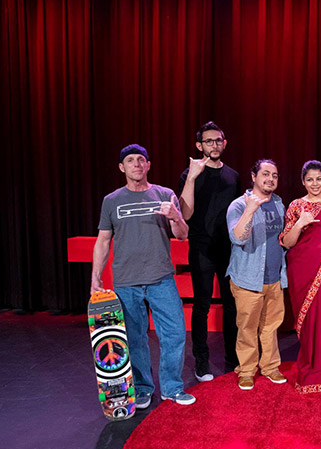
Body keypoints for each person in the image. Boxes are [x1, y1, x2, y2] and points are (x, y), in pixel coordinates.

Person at [91, 144, 195, 408]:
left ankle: (172, 388)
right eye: (130, 160)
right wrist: (96, 278)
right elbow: (103, 241)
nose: (136, 164)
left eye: (141, 160)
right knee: (135, 339)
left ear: (148, 165)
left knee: (174, 335)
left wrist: (176, 217)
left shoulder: (165, 194)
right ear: (121, 167)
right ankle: (143, 388)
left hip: (161, 279)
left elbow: (182, 235)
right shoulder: (111, 201)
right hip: (126, 282)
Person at [179, 121, 241, 381]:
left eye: (218, 140)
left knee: (232, 306)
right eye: (208, 141)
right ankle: (201, 362)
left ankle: (232, 360)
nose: (214, 145)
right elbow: (185, 213)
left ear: (224, 143)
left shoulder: (233, 176)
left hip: (229, 250)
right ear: (198, 146)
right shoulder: (189, 175)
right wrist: (193, 177)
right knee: (202, 306)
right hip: (201, 248)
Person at [280, 160, 321, 393]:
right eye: (310, 179)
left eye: (319, 178)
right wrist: (300, 223)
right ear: (303, 182)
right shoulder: (296, 205)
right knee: (307, 322)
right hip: (301, 271)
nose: (314, 183)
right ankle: (309, 367)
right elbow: (287, 242)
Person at [226, 160, 288, 391]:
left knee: (271, 327)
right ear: (253, 176)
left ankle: (270, 367)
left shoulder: (280, 205)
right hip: (247, 279)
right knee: (247, 328)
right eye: (265, 174)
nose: (270, 179)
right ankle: (246, 370)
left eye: (275, 175)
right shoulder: (238, 206)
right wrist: (251, 209)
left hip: (275, 277)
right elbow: (238, 238)